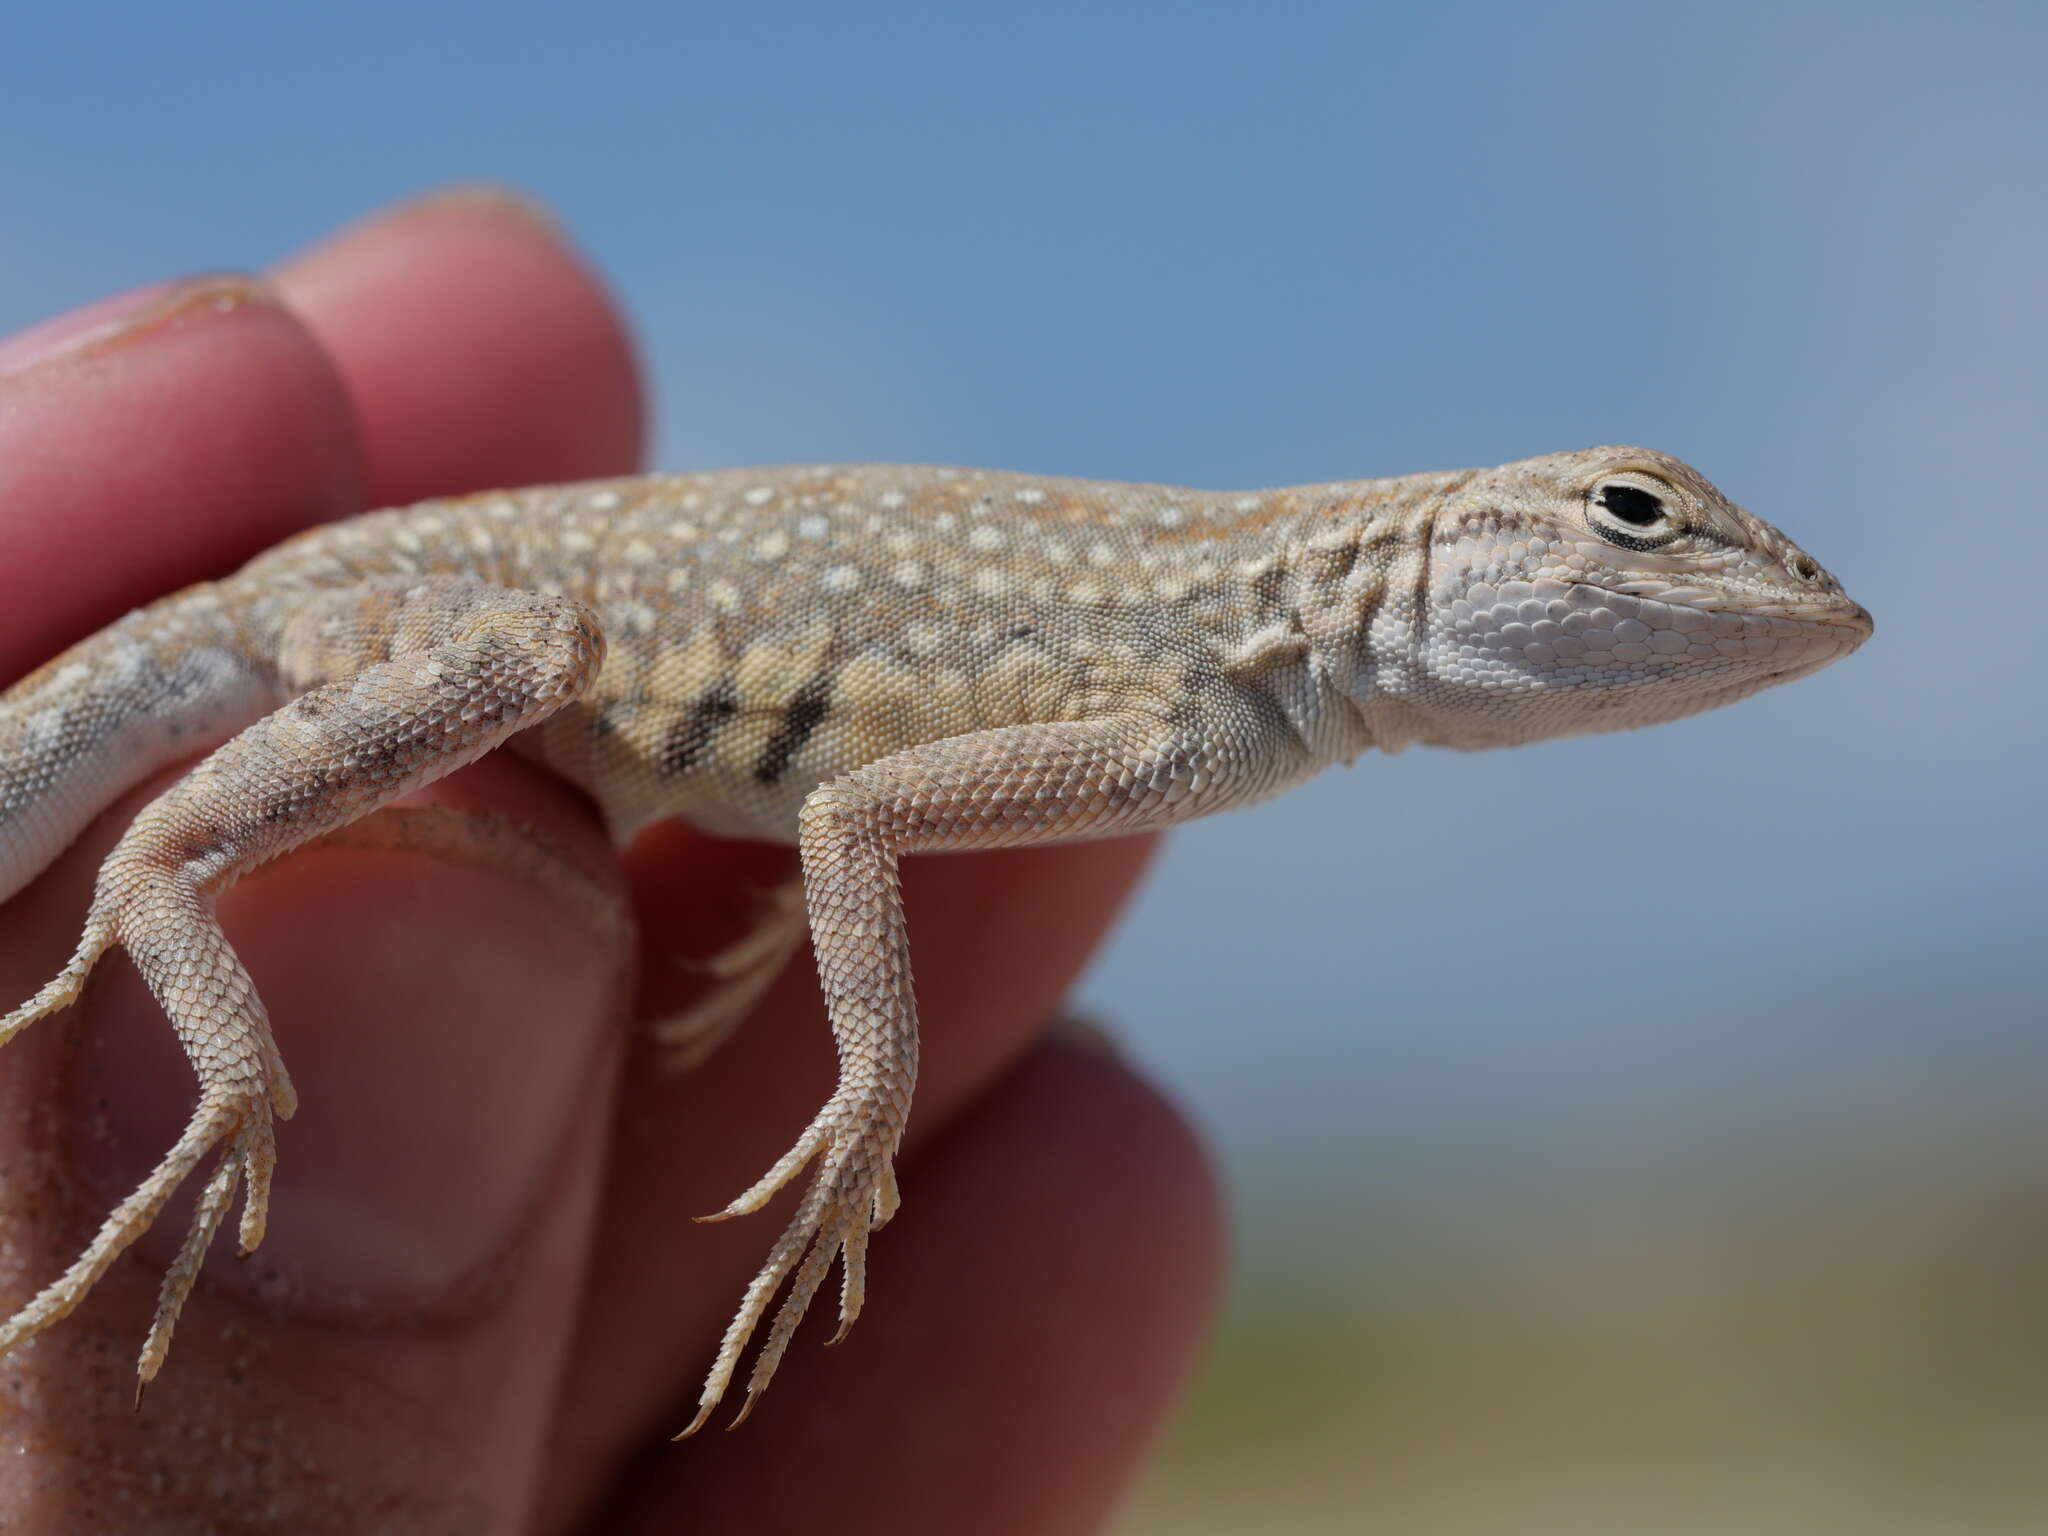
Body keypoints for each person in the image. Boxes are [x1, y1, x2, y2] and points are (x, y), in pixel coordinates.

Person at [0, 187, 1219, 1533]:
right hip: (330, 610)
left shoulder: (1223, 693)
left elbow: (851, 805)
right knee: (522, 657)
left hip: (459, 649)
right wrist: (869, 1085)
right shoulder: (1205, 699)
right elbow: (854, 816)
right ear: (1452, 553)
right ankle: (167, 861)